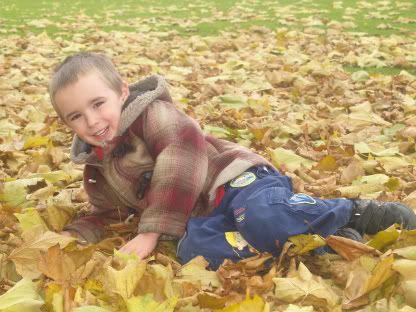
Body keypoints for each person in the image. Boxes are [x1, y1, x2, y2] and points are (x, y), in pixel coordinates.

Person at [49, 52, 416, 269]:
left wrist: (150, 231)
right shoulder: (99, 171)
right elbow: (109, 213)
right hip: (203, 217)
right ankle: (328, 240)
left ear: (122, 92)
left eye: (98, 104)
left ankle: (350, 211)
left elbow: (182, 153)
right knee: (194, 252)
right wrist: (75, 234)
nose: (92, 122)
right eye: (76, 116)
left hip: (238, 184)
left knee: (260, 216)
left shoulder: (153, 115)